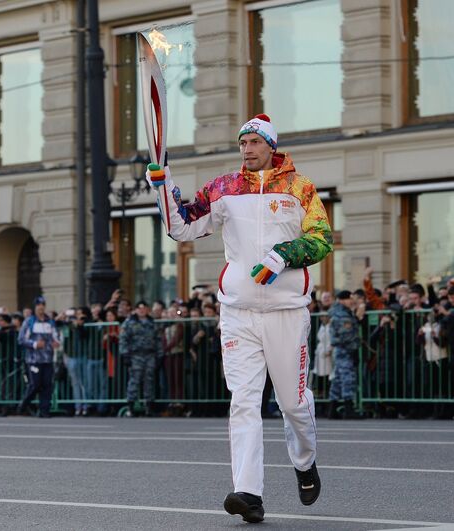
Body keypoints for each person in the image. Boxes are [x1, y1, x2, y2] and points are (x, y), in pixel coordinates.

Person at [147, 114, 332, 522]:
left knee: (293, 404)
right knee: (243, 401)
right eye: (242, 142)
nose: (246, 149)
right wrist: (163, 187)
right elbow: (182, 226)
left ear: (270, 145)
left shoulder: (298, 188)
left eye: (253, 142)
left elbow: (321, 239)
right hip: (238, 313)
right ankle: (248, 492)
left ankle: (305, 461)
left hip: (286, 313)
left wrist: (284, 254)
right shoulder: (224, 188)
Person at [17, 296, 60, 418]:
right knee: (35, 384)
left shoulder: (50, 322)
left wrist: (56, 343)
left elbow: (56, 337)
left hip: (47, 359)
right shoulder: (29, 322)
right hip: (34, 359)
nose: (41, 307)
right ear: (35, 307)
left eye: (42, 305)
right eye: (38, 305)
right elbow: (21, 340)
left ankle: (44, 411)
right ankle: (23, 405)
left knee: (47, 385)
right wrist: (35, 344)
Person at [119, 300, 161, 417]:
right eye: (139, 308)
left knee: (149, 381)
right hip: (135, 355)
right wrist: (125, 354)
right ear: (136, 310)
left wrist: (159, 355)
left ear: (147, 310)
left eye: (144, 308)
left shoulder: (152, 323)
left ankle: (149, 405)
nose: (142, 311)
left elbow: (158, 340)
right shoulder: (129, 323)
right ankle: (131, 406)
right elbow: (123, 339)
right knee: (134, 380)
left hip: (150, 355)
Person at [327, 291, 362, 419]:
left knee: (337, 380)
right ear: (342, 300)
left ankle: (332, 408)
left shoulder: (342, 312)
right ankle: (348, 408)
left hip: (341, 349)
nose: (351, 301)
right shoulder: (342, 314)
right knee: (348, 378)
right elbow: (346, 335)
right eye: (348, 299)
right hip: (344, 349)